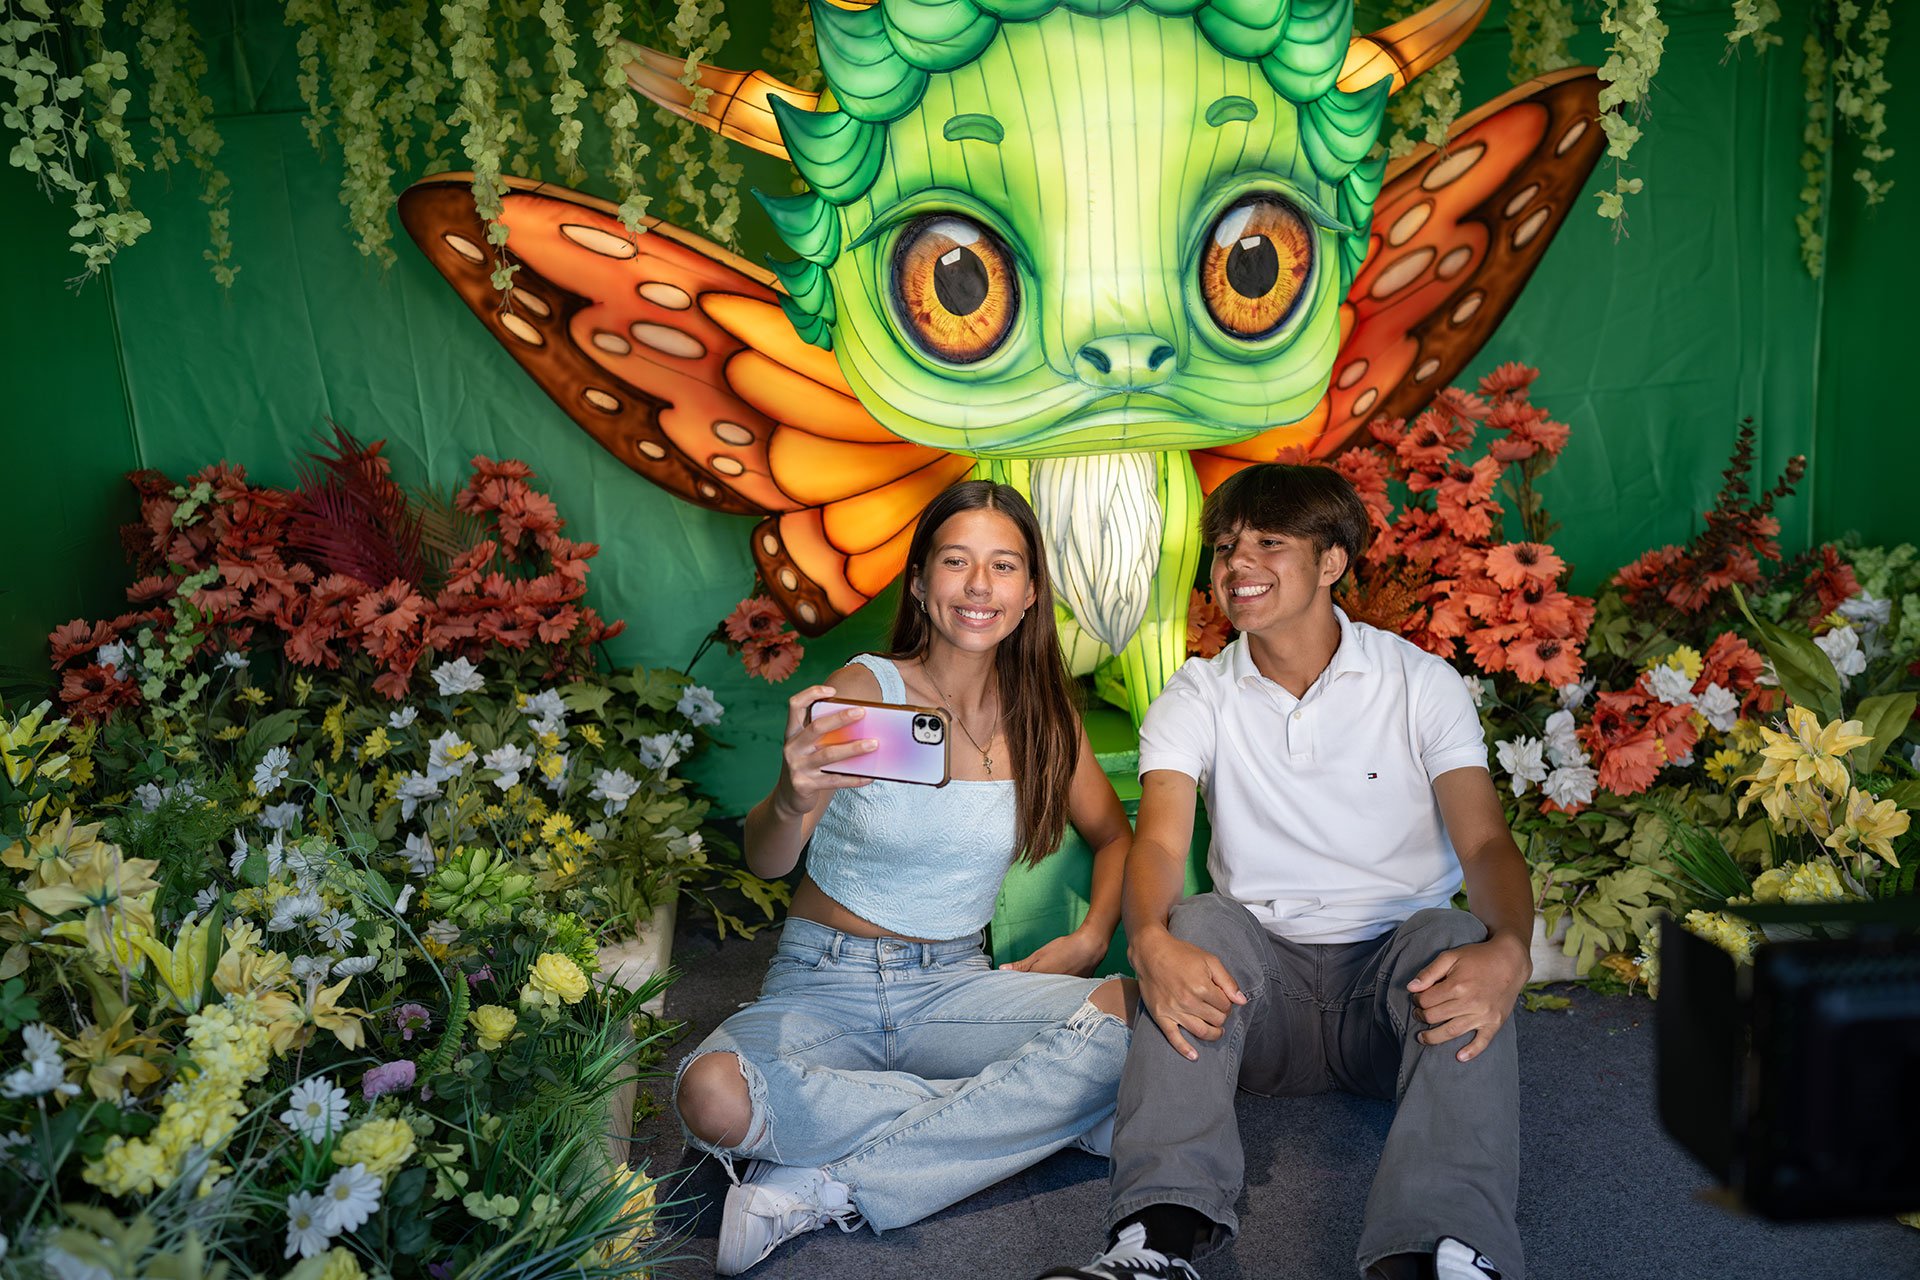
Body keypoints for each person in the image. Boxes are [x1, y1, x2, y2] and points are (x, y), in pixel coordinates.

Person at [1039, 463, 1534, 1280]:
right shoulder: (1195, 695)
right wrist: (1147, 944)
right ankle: (1155, 1244)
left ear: (1332, 561)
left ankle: (1444, 1254)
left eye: (1271, 543)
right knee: (1192, 924)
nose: (1239, 564)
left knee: (1455, 935)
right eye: (1228, 547)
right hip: (1258, 1000)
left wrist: (1510, 946)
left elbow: (1484, 847)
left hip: (1392, 999)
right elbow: (1159, 846)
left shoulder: (1419, 683)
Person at [675, 479, 1137, 1276]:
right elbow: (766, 859)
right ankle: (1031, 1110)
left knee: (1140, 1019)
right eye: (956, 562)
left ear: (1030, 594)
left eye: (1004, 565)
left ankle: (828, 1181)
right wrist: (792, 798)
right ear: (921, 583)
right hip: (825, 984)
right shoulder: (869, 692)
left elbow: (1114, 835)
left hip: (956, 987)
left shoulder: (1043, 719)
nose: (979, 586)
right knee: (710, 1096)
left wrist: (1092, 936)